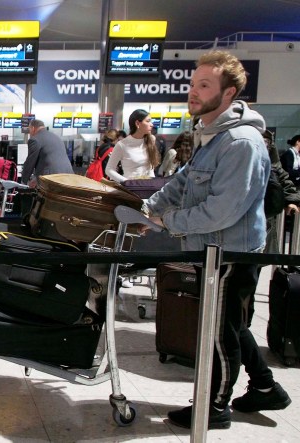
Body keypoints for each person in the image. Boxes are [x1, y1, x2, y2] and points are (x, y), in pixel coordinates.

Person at [143, 50, 291, 430]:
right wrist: (148, 208)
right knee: (230, 325)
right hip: (214, 248)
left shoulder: (240, 143)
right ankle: (265, 387)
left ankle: (214, 406)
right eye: (193, 84)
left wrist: (167, 220)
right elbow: (182, 182)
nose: (193, 92)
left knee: (217, 331)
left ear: (229, 93)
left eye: (204, 85)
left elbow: (223, 210)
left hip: (228, 252)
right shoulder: (211, 134)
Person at [105, 109, 160, 184]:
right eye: (148, 121)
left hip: (148, 186)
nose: (151, 124)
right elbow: (109, 169)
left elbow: (151, 169)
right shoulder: (122, 145)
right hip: (131, 189)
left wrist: (153, 184)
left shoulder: (151, 140)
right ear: (137, 123)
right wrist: (126, 182)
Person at [20, 119, 73, 187]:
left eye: (29, 129)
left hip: (52, 178)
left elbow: (30, 162)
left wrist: (23, 182)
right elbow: (48, 159)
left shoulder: (35, 139)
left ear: (33, 128)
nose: (29, 133)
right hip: (68, 174)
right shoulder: (56, 137)